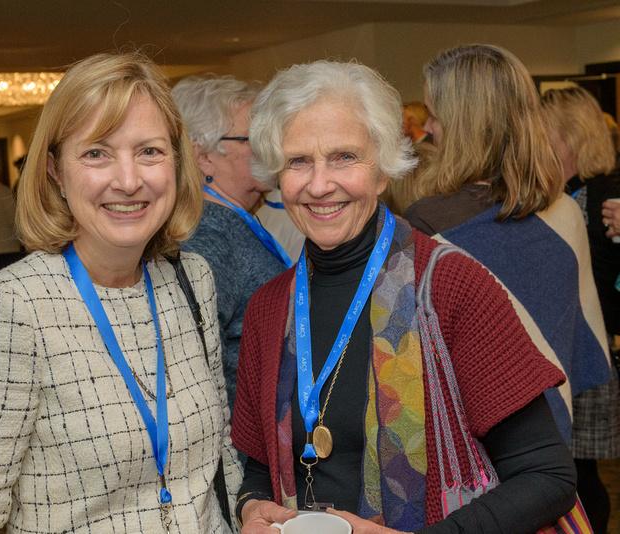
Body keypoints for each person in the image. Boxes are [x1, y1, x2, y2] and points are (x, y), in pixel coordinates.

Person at [232, 60, 577, 534]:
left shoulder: (453, 286)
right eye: (298, 161)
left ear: (383, 170)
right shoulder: (269, 308)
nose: (319, 184)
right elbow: (258, 466)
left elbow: (548, 477)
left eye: (344, 157)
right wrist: (252, 506)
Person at [0, 52, 242, 533]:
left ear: (177, 163)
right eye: (97, 153)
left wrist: (248, 511)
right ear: (55, 169)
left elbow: (217, 454)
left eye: (149, 151)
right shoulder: (11, 307)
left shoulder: (191, 279)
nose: (129, 180)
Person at [405, 44, 611, 446]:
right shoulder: (565, 210)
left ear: (464, 125)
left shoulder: (425, 225)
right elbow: (578, 349)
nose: (428, 127)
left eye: (435, 114)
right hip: (550, 442)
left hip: (473, 448)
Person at [173, 75, 290, 407]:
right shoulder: (206, 239)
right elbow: (194, 366)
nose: (270, 148)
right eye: (252, 138)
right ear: (204, 157)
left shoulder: (229, 222)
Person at [542, 86, 620, 533]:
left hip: (591, 349)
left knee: (582, 476)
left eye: (545, 133)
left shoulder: (606, 195)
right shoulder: (570, 193)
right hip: (576, 346)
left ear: (570, 136)